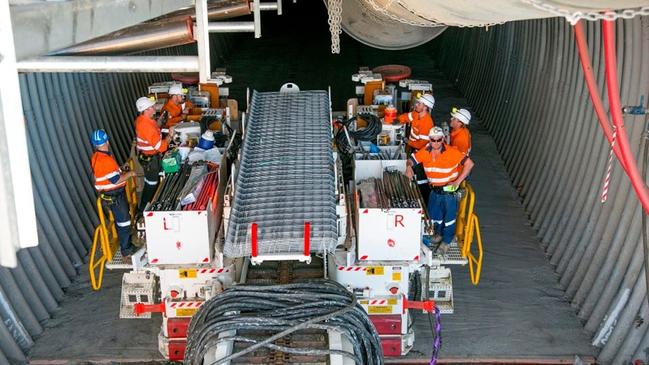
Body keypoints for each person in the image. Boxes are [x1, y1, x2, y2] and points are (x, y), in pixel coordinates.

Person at [405, 127, 475, 254]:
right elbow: (411, 160)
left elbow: (469, 164)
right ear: (429, 140)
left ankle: (446, 241)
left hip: (448, 193)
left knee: (449, 220)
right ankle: (439, 235)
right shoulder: (425, 151)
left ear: (443, 139)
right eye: (433, 140)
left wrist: (458, 181)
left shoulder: (452, 152)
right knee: (434, 217)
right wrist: (409, 167)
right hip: (435, 191)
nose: (436, 143)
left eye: (438, 140)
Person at [90, 129, 138, 257]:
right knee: (124, 222)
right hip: (115, 195)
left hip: (108, 195)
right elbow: (116, 180)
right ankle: (126, 249)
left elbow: (108, 174)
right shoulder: (106, 160)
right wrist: (130, 173)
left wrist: (121, 169)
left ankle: (125, 245)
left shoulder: (97, 157)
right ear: (107, 141)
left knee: (121, 221)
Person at [135, 96, 172, 214]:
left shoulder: (142, 120)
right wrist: (170, 136)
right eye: (152, 106)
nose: (155, 107)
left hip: (148, 158)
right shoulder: (146, 126)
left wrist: (160, 122)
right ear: (146, 110)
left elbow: (154, 128)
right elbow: (161, 147)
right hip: (151, 161)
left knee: (151, 182)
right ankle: (142, 211)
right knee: (151, 185)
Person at [398, 93, 436, 203]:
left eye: (419, 103)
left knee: (421, 180)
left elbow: (421, 144)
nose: (416, 104)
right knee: (412, 173)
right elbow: (407, 117)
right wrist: (396, 120)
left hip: (422, 154)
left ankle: (424, 202)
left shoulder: (427, 123)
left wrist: (407, 141)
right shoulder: (416, 114)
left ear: (425, 107)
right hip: (413, 149)